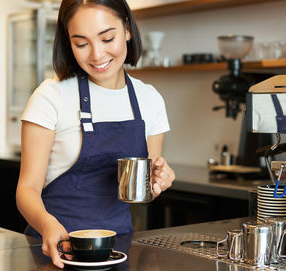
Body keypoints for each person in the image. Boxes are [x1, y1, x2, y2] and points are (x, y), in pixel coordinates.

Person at [15, 0, 176, 268]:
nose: (97, 55)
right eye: (81, 43)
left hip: (119, 248)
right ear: (68, 43)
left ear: (126, 29)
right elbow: (26, 189)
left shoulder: (150, 99)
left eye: (107, 38)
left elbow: (145, 188)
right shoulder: (51, 95)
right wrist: (47, 224)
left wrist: (159, 181)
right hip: (57, 248)